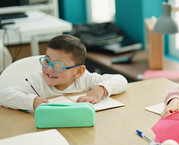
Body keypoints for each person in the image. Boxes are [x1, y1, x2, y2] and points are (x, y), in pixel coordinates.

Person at [0, 34, 128, 112]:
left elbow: (121, 80)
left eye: (57, 65)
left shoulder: (84, 79)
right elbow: (4, 95)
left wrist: (101, 89)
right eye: (47, 61)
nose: (49, 69)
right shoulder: (37, 82)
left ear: (78, 72)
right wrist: (31, 101)